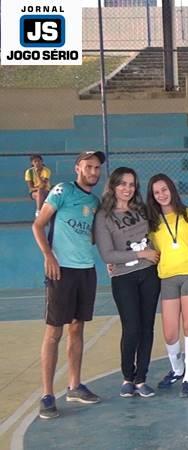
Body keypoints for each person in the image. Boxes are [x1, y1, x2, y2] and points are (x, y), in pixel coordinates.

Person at [32, 150, 104, 419]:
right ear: (78, 168)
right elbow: (38, 225)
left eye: (97, 168)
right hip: (61, 272)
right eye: (88, 166)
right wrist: (49, 255)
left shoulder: (95, 201)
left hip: (86, 271)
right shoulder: (62, 190)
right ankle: (47, 395)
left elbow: (93, 236)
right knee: (54, 332)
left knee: (77, 328)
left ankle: (74, 386)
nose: (93, 171)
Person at [95, 167, 161, 398]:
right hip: (123, 278)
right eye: (123, 183)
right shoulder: (104, 216)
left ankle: (141, 378)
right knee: (131, 327)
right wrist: (142, 254)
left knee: (146, 327)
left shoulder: (142, 210)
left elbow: (158, 235)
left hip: (149, 275)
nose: (127, 188)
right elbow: (108, 255)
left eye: (132, 184)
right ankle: (127, 377)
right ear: (113, 186)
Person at [146, 174, 188, 398]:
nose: (161, 195)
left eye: (164, 190)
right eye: (156, 192)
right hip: (167, 277)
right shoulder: (152, 222)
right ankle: (177, 369)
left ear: (172, 190)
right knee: (170, 332)